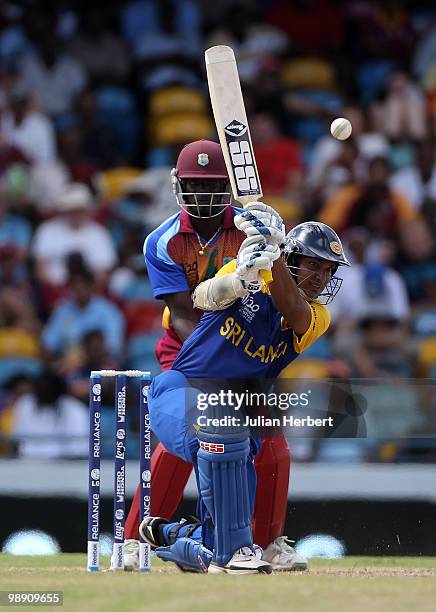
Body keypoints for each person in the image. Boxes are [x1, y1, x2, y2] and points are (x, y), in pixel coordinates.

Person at [120, 140, 296, 570]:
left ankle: (266, 543)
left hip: (248, 347)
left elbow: (279, 296)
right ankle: (133, 539)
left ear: (228, 188)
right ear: (179, 187)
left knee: (269, 433)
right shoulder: (160, 242)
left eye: (214, 186)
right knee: (190, 434)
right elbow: (182, 313)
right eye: (195, 187)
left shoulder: (249, 227)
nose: (203, 196)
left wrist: (275, 242)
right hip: (187, 347)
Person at [139, 215, 350, 574]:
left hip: (234, 414)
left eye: (329, 270)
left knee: (216, 533)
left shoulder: (318, 315)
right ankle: (236, 552)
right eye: (314, 265)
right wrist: (237, 280)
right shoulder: (248, 266)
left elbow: (292, 308)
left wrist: (275, 257)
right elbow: (202, 297)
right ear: (295, 258)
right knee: (226, 426)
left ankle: (174, 534)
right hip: (179, 391)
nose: (322, 278)